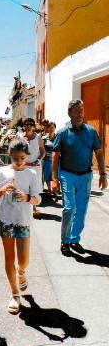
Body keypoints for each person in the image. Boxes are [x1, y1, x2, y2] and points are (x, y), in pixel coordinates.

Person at [0, 139, 41, 314]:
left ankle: (22, 271)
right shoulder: (1, 171)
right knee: (9, 257)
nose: (19, 161)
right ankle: (14, 294)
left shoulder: (32, 174)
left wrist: (26, 198)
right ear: (9, 155)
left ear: (26, 156)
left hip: (23, 220)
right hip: (6, 219)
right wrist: (3, 190)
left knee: (24, 259)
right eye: (16, 157)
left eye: (23, 157)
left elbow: (37, 198)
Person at [51, 100, 107, 256]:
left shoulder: (91, 131)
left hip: (86, 176)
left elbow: (99, 153)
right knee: (69, 208)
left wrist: (103, 174)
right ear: (69, 113)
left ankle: (75, 239)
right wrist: (55, 179)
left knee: (81, 210)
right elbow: (55, 156)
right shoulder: (62, 133)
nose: (80, 113)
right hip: (67, 174)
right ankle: (65, 241)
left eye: (82, 110)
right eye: (77, 111)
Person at [19, 118, 45, 218]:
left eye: (30, 124)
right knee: (23, 186)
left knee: (34, 187)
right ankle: (23, 209)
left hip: (35, 167)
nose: (28, 126)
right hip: (23, 166)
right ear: (24, 125)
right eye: (26, 124)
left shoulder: (38, 138)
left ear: (33, 126)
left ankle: (33, 208)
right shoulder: (20, 137)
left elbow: (43, 152)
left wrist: (37, 160)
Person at [41, 122, 57, 193]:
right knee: (47, 175)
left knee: (56, 174)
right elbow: (41, 148)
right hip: (47, 158)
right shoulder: (44, 138)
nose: (51, 129)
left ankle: (56, 189)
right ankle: (49, 189)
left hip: (56, 159)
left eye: (52, 127)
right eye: (50, 127)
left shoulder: (57, 137)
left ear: (55, 128)